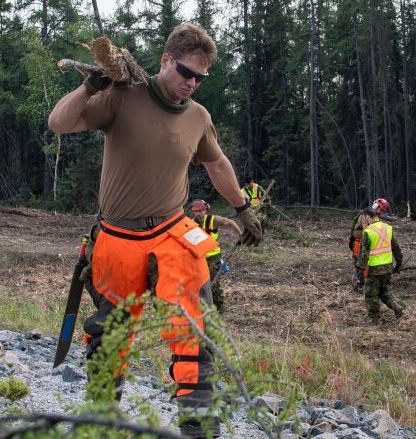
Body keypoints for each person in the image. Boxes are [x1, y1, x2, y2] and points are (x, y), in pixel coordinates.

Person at [48, 23, 262, 438]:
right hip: (117, 240)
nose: (192, 83)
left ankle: (200, 428)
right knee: (109, 337)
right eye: (186, 72)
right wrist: (91, 86)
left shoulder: (199, 117)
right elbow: (59, 122)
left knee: (193, 332)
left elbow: (216, 164)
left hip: (171, 234)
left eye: (201, 77)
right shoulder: (122, 98)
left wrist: (242, 207)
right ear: (166, 60)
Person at [189, 199, 242, 314]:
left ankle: (218, 307)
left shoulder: (213, 220)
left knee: (213, 282)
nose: (198, 213)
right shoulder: (192, 222)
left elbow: (231, 223)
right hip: (199, 257)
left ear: (206, 210)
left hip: (213, 256)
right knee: (201, 282)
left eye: (200, 211)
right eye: (195, 211)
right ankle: (204, 306)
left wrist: (240, 235)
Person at [357, 210, 405, 324]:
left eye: (364, 218)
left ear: (368, 217)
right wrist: (398, 264)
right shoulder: (387, 228)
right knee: (384, 291)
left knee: (371, 294)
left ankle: (374, 319)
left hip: (374, 269)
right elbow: (396, 249)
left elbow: (364, 253)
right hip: (388, 267)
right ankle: (396, 307)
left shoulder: (368, 232)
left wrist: (360, 268)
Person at [349, 198, 389, 291]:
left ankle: (367, 283)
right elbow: (368, 230)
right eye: (381, 209)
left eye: (383, 211)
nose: (381, 212)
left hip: (366, 242)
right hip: (359, 242)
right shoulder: (367, 214)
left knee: (368, 264)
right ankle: (361, 285)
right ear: (376, 206)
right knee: (360, 263)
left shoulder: (374, 216)